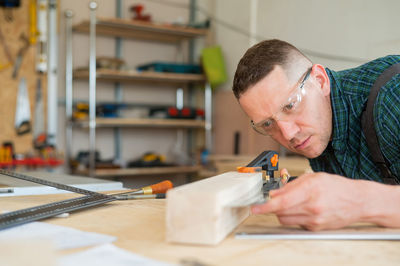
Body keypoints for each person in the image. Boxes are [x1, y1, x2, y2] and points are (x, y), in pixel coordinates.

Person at [232, 39, 400, 231]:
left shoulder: (392, 95)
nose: (288, 134)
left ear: (320, 80)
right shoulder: (320, 135)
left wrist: (358, 201)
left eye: (290, 106)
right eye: (268, 124)